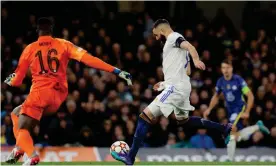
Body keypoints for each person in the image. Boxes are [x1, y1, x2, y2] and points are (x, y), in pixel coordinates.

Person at [4, 17, 132, 165]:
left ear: (37, 31)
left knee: (22, 128)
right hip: (58, 96)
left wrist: (10, 80)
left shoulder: (30, 49)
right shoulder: (64, 44)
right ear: (51, 30)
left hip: (39, 94)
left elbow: (18, 81)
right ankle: (19, 149)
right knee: (16, 112)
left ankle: (31, 155)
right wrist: (116, 71)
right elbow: (89, 59)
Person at [111, 19, 232, 165]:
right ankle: (223, 128)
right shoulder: (176, 48)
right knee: (185, 122)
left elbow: (190, 46)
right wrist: (164, 83)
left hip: (175, 88)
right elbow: (185, 71)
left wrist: (196, 60)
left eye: (156, 35)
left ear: (162, 32)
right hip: (181, 87)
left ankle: (130, 157)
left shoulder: (174, 38)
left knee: (144, 117)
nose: (156, 38)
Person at [204, 59, 270, 161]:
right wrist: (209, 108)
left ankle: (230, 160)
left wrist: (247, 111)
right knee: (237, 136)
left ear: (232, 69)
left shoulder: (238, 80)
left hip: (239, 108)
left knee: (230, 132)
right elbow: (216, 96)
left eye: (228, 68)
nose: (226, 70)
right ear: (221, 69)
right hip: (230, 111)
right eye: (223, 68)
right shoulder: (220, 81)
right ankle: (257, 127)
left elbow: (250, 96)